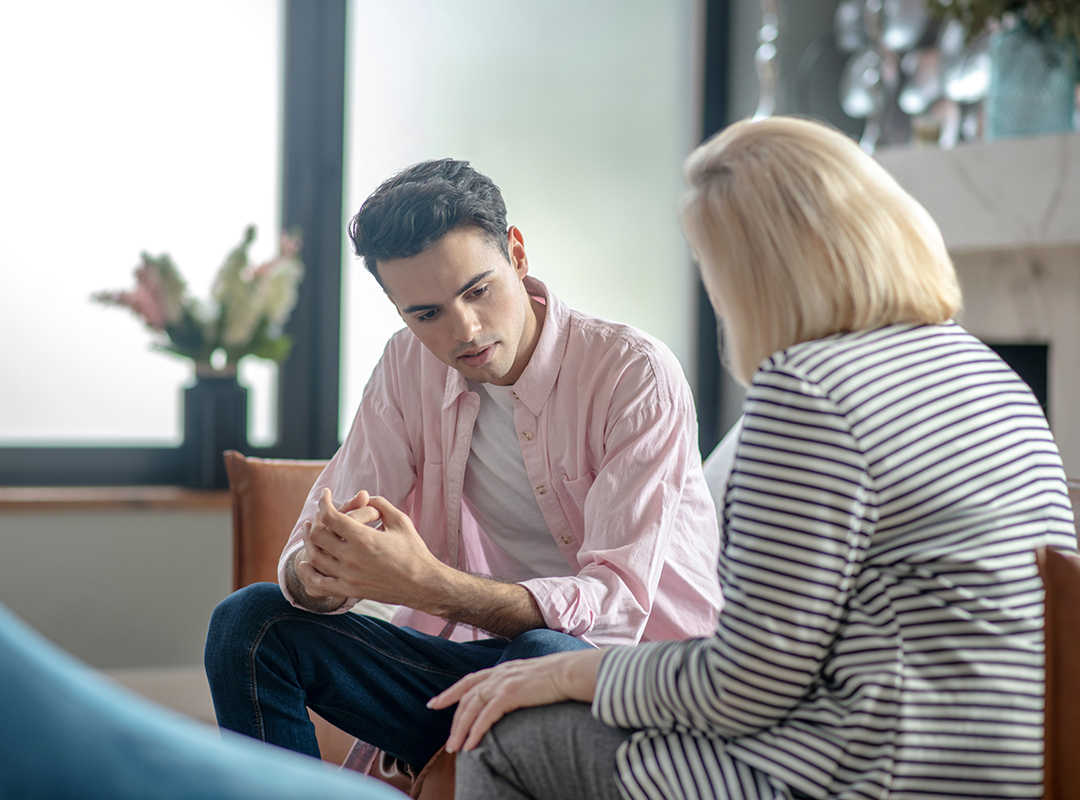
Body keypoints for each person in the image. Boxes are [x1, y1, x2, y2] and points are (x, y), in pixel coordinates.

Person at [430, 117, 1078, 800]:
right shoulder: (980, 366)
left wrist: (562, 675)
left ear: (758, 274)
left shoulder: (808, 389)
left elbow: (744, 685)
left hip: (880, 774)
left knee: (508, 739)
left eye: (713, 270)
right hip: (1011, 767)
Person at [204, 158, 723, 774]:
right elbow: (309, 551)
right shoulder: (406, 367)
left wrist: (425, 585)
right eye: (426, 314)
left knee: (544, 649)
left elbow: (615, 607)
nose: (465, 330)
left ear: (518, 254)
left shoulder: (633, 374)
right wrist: (321, 576)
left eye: (477, 291)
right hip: (481, 672)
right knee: (251, 622)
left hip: (635, 685)